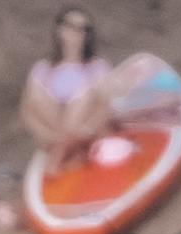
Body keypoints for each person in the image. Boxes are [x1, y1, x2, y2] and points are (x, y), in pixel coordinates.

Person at [20, 7, 119, 168]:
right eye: (72, 26)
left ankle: (64, 153)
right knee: (38, 95)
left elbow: (104, 107)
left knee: (85, 95)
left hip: (86, 132)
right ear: (60, 30)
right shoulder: (43, 69)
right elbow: (29, 112)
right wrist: (54, 137)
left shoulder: (97, 66)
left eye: (84, 29)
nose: (78, 33)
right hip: (53, 135)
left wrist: (82, 134)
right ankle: (63, 151)